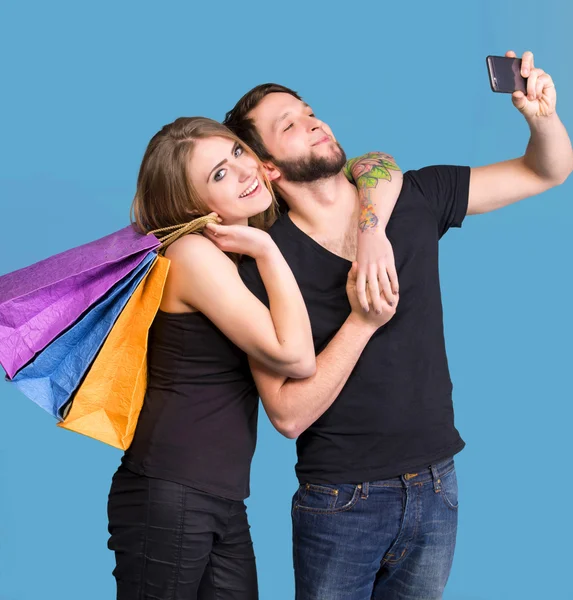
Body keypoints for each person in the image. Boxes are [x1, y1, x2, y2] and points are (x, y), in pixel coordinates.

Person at [224, 49, 573, 599]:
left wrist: (542, 116)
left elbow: (545, 170)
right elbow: (287, 416)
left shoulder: (414, 196)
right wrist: (362, 323)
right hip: (339, 501)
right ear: (267, 166)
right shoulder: (261, 265)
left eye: (309, 110)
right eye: (287, 125)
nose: (313, 121)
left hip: (438, 486)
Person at [106, 116, 404, 599]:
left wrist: (365, 231)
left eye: (238, 154)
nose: (243, 173)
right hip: (169, 489)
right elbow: (297, 358)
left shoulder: (230, 255)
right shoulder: (192, 255)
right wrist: (268, 250)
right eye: (218, 175)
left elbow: (373, 165)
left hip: (218, 496)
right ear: (192, 204)